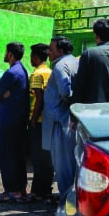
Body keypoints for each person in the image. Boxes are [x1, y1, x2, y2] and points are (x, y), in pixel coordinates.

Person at [0, 42, 30, 202]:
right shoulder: (22, 70)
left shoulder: (12, 73)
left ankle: (12, 190)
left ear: (11, 54)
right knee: (17, 155)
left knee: (7, 155)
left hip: (8, 120)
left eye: (7, 51)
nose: (5, 54)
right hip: (17, 120)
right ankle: (20, 188)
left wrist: (3, 94)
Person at [42, 36, 78, 199]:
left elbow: (66, 93)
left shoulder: (60, 67)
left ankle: (67, 204)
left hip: (60, 121)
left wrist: (70, 105)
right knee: (72, 164)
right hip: (68, 120)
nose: (48, 52)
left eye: (51, 49)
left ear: (60, 51)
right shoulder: (74, 62)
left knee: (63, 166)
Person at [24, 43, 54, 203]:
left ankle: (37, 192)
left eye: (31, 56)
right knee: (47, 157)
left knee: (37, 158)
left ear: (35, 57)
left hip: (38, 121)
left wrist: (33, 120)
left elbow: (38, 99)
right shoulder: (50, 72)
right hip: (48, 120)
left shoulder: (36, 74)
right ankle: (46, 190)